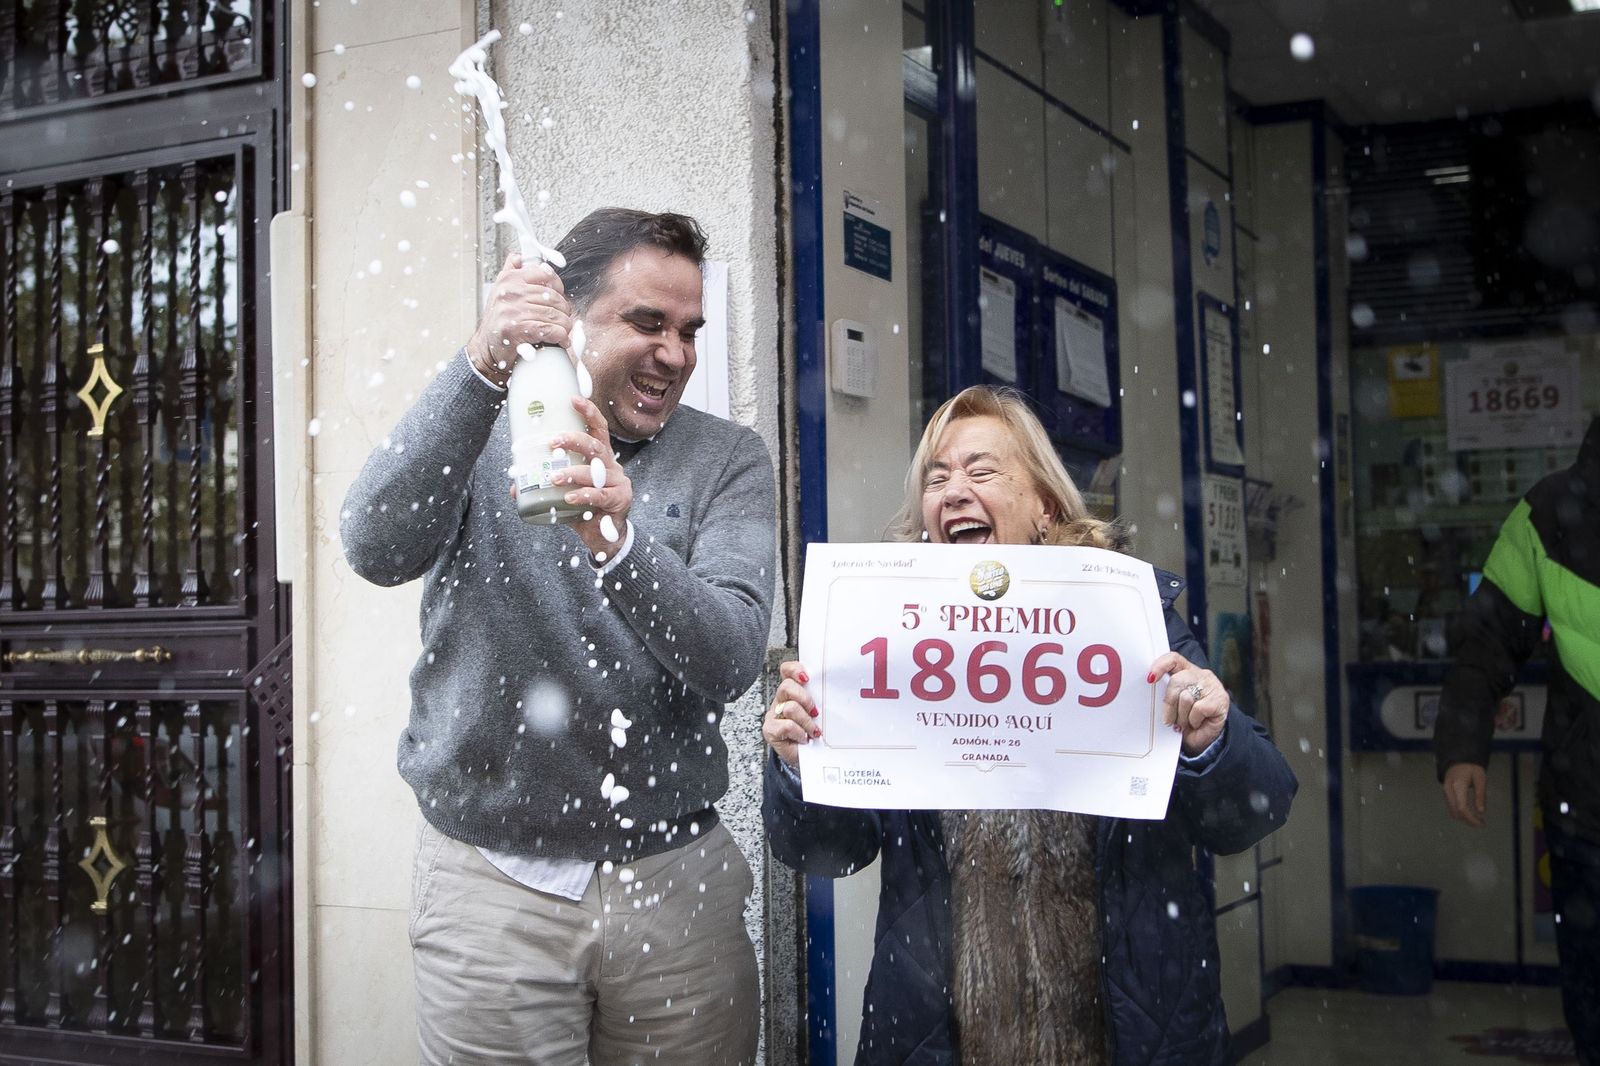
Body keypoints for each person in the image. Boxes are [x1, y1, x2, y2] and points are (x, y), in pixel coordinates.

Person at [341, 207, 776, 1065]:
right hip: (491, 888)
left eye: (689, 330)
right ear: (565, 317)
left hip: (673, 882)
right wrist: (478, 366)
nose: (677, 354)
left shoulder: (728, 457)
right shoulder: (481, 426)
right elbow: (374, 546)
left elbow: (729, 658)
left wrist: (617, 539)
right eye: (647, 322)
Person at [762, 385, 1297, 1065]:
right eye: (938, 477)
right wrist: (797, 766)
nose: (954, 491)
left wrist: (1212, 742)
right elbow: (830, 850)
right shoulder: (888, 642)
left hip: (1130, 1038)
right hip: (942, 1040)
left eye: (982, 471)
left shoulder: (1129, 622)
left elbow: (1254, 812)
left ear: (1046, 505)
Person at [1436, 415, 1600, 1066]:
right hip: (1586, 814)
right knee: (1591, 1005)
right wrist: (1463, 744)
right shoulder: (1550, 512)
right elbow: (1488, 639)